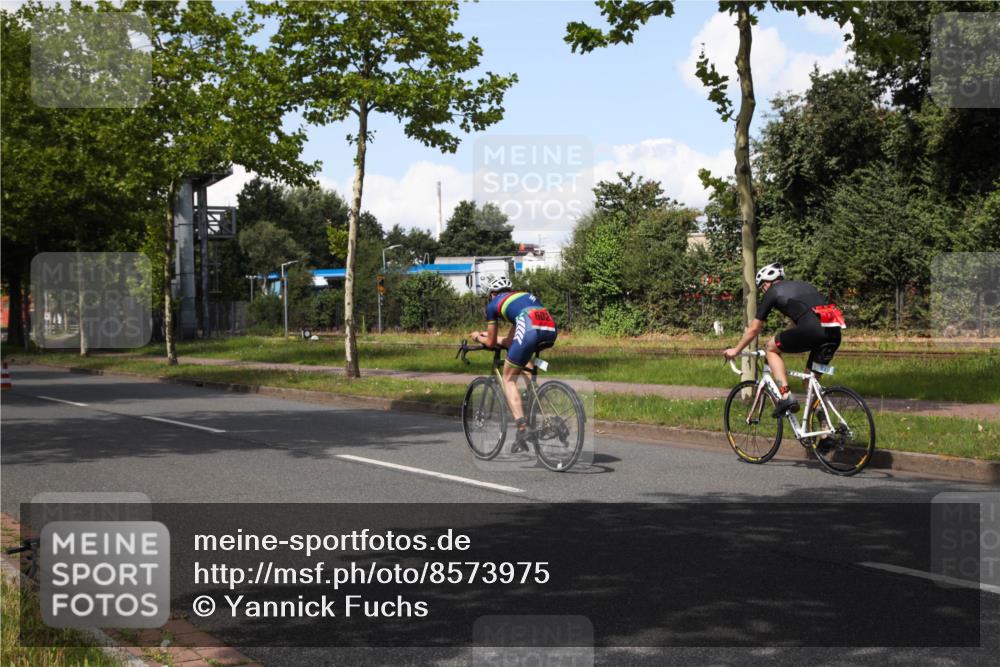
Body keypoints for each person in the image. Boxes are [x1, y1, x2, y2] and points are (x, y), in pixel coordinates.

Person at [724, 263, 846, 417]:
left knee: (770, 348)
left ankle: (786, 396)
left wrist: (736, 350)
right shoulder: (804, 285)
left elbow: (754, 329)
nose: (763, 292)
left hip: (813, 330)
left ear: (767, 283)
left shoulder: (773, 291)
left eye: (762, 288)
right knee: (810, 383)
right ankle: (825, 435)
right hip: (833, 333)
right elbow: (798, 324)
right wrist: (782, 340)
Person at [469, 275, 557, 452]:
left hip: (529, 329)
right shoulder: (521, 298)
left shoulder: (493, 305)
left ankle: (522, 428)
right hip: (550, 328)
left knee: (508, 379)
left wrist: (478, 336)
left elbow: (491, 343)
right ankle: (533, 395)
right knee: (522, 359)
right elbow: (511, 341)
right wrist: (493, 339)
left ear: (492, 294)